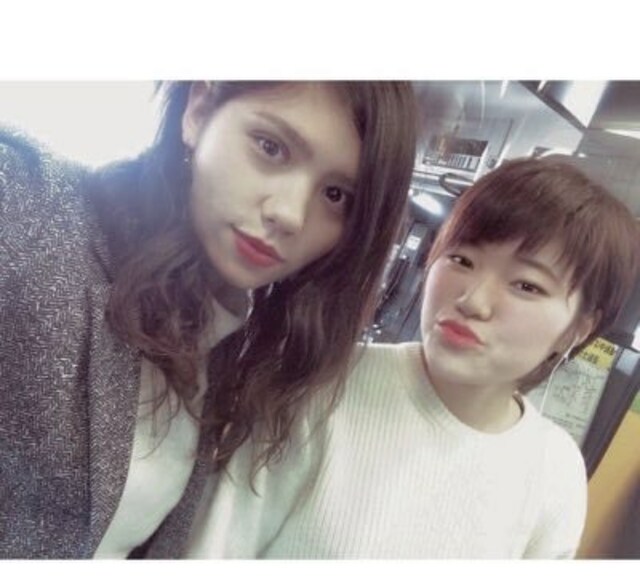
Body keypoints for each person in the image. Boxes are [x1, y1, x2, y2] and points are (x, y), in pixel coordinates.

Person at [0, 81, 417, 558]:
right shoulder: (28, 208)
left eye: (337, 195)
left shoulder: (227, 338)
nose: (290, 214)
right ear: (199, 109)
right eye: (270, 147)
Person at [184, 156, 640, 559]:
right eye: (462, 260)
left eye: (526, 285)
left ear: (578, 329)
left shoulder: (554, 471)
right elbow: (213, 552)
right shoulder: (319, 383)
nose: (473, 301)